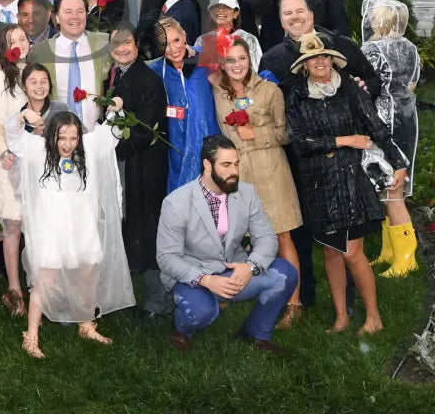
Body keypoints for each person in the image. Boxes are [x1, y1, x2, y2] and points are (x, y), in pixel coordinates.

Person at [285, 33, 407, 334]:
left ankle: (373, 317)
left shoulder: (350, 88)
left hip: (352, 178)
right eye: (314, 58)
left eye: (325, 56)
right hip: (318, 183)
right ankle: (341, 317)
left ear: (332, 60)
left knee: (352, 252)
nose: (320, 62)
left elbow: (374, 125)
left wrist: (399, 161)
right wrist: (345, 140)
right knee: (330, 251)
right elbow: (299, 141)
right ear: (305, 65)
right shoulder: (297, 96)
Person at [5, 110, 134, 357]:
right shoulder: (38, 150)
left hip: (82, 228)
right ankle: (31, 335)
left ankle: (86, 324)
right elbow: (13, 135)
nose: (67, 144)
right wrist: (22, 116)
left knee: (86, 275)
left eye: (72, 139)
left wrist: (116, 108)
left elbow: (113, 131)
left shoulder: (88, 148)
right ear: (52, 135)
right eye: (61, 138)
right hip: (52, 231)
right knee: (45, 281)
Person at [156, 135, 298, 352]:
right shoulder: (176, 202)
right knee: (200, 313)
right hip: (195, 275)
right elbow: (167, 257)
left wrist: (250, 268)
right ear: (206, 164)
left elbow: (267, 238)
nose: (234, 171)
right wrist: (205, 280)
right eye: (226, 165)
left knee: (286, 273)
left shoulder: (246, 193)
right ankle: (181, 330)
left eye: (236, 164)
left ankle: (255, 334)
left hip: (235, 271)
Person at [213, 38, 304, 326]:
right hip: (236, 175)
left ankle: (293, 303)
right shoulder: (218, 90)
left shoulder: (269, 90)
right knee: (237, 237)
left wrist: (257, 134)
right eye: (230, 60)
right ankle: (234, 290)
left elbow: (287, 133)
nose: (236, 65)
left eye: (241, 58)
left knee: (281, 235)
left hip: (269, 171)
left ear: (250, 59)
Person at [105, 26, 171, 317]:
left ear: (137, 45)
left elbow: (144, 130)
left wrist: (106, 148)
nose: (122, 48)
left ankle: (159, 301)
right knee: (127, 225)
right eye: (116, 43)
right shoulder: (116, 76)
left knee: (147, 227)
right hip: (126, 163)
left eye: (127, 42)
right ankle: (125, 294)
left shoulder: (146, 79)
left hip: (144, 165)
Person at [361, 0, 421, 277]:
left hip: (384, 121)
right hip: (408, 119)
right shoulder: (410, 48)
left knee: (391, 191)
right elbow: (411, 84)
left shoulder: (372, 49)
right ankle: (390, 251)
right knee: (392, 187)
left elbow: (365, 86)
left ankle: (406, 259)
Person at [0, 24, 32, 314]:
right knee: (12, 224)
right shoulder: (2, 78)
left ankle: (36, 283)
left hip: (30, 156)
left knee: (31, 220)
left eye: (23, 38)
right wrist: (5, 153)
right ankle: (15, 290)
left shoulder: (33, 74)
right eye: (12, 41)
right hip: (6, 158)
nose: (19, 44)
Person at [260, 0, 379, 100]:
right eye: (288, 13)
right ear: (281, 21)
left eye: (300, 11)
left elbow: (373, 80)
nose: (294, 16)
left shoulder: (343, 45)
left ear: (311, 15)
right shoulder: (271, 60)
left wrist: (365, 88)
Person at [147, 17, 220, 191]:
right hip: (178, 149)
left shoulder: (207, 59)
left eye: (176, 40)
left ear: (184, 35)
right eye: (165, 44)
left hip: (212, 141)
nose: (173, 49)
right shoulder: (155, 72)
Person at [28, 0, 112, 131]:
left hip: (96, 133)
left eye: (80, 11)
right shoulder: (40, 52)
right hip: (56, 135)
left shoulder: (103, 43)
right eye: (68, 12)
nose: (75, 17)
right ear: (57, 18)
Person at [199, 0, 262, 70]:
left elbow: (256, 70)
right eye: (216, 7)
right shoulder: (201, 41)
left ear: (235, 13)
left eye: (226, 7)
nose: (220, 10)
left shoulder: (248, 39)